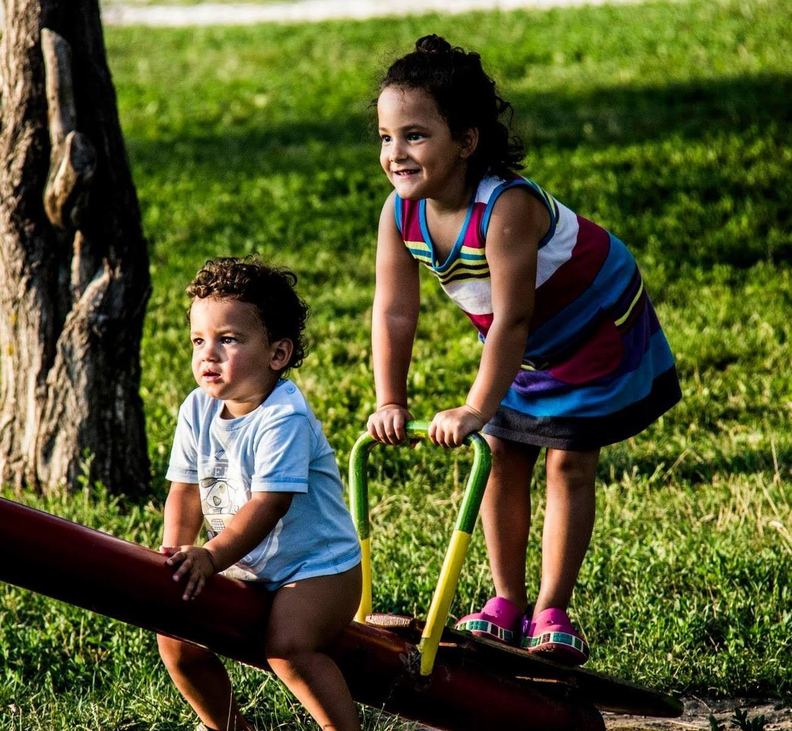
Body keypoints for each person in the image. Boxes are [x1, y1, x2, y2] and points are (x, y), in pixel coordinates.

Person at [367, 35, 681, 665]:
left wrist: (476, 408)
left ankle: (553, 608)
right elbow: (396, 311)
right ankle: (505, 601)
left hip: (593, 324)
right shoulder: (401, 214)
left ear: (467, 140)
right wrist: (390, 398)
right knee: (504, 456)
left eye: (415, 135)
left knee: (568, 459)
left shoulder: (505, 206)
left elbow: (513, 317)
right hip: (524, 344)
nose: (396, 153)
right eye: (384, 137)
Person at [157, 257, 362, 731]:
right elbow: (184, 492)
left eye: (228, 340)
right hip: (240, 563)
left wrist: (210, 555)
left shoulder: (282, 417)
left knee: (287, 647)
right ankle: (228, 727)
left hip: (317, 568)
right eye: (199, 340)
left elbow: (270, 504)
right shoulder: (197, 409)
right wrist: (175, 551)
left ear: (277, 354)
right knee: (175, 637)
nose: (208, 355)